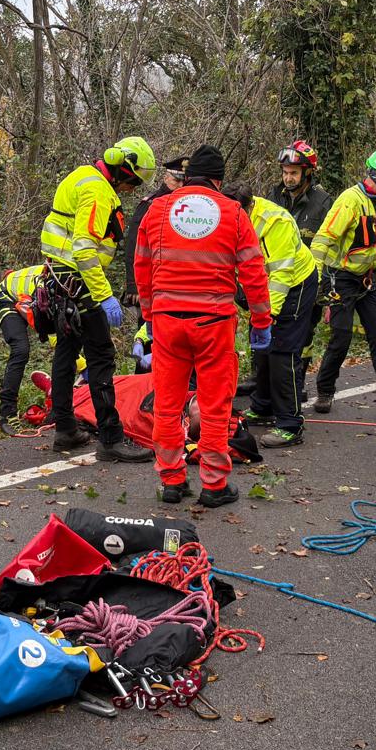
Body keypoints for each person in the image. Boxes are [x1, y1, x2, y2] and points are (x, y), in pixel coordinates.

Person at [135, 145, 272, 506]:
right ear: (218, 180)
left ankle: (172, 481)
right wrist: (261, 321)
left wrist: (150, 315)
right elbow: (254, 273)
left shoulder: (158, 209)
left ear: (186, 175)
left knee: (167, 404)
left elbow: (142, 267)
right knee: (214, 406)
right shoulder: (233, 213)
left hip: (167, 323)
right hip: (213, 323)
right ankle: (213, 484)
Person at [40, 137, 157, 463]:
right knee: (101, 355)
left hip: (59, 279)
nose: (133, 190)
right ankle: (110, 438)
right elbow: (84, 248)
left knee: (66, 351)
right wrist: (104, 296)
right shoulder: (98, 192)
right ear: (125, 171)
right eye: (134, 182)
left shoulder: (81, 175)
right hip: (80, 282)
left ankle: (64, 428)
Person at [309, 148, 376, 417]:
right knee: (341, 337)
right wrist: (317, 279)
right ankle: (324, 390)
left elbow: (369, 233)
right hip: (341, 279)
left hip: (367, 280)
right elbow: (324, 238)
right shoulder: (351, 200)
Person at [225, 183, 319, 448]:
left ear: (248, 207)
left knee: (282, 350)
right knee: (262, 349)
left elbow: (281, 275)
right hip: (262, 286)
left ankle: (290, 423)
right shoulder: (228, 218)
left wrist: (268, 315)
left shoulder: (276, 222)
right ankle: (263, 404)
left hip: (295, 284)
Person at [120, 155, 187, 310]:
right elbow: (134, 243)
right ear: (166, 178)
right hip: (149, 281)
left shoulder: (188, 204)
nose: (180, 185)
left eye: (184, 181)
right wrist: (133, 285)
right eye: (176, 181)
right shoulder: (150, 203)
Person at [0, 264, 48, 434]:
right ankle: (7, 413)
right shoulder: (46, 285)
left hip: (27, 300)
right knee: (20, 349)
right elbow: (55, 336)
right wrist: (82, 367)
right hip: (7, 297)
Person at [266, 140, 332, 240]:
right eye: (285, 172)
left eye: (293, 173)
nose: (288, 179)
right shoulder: (273, 197)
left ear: (308, 172)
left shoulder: (323, 203)